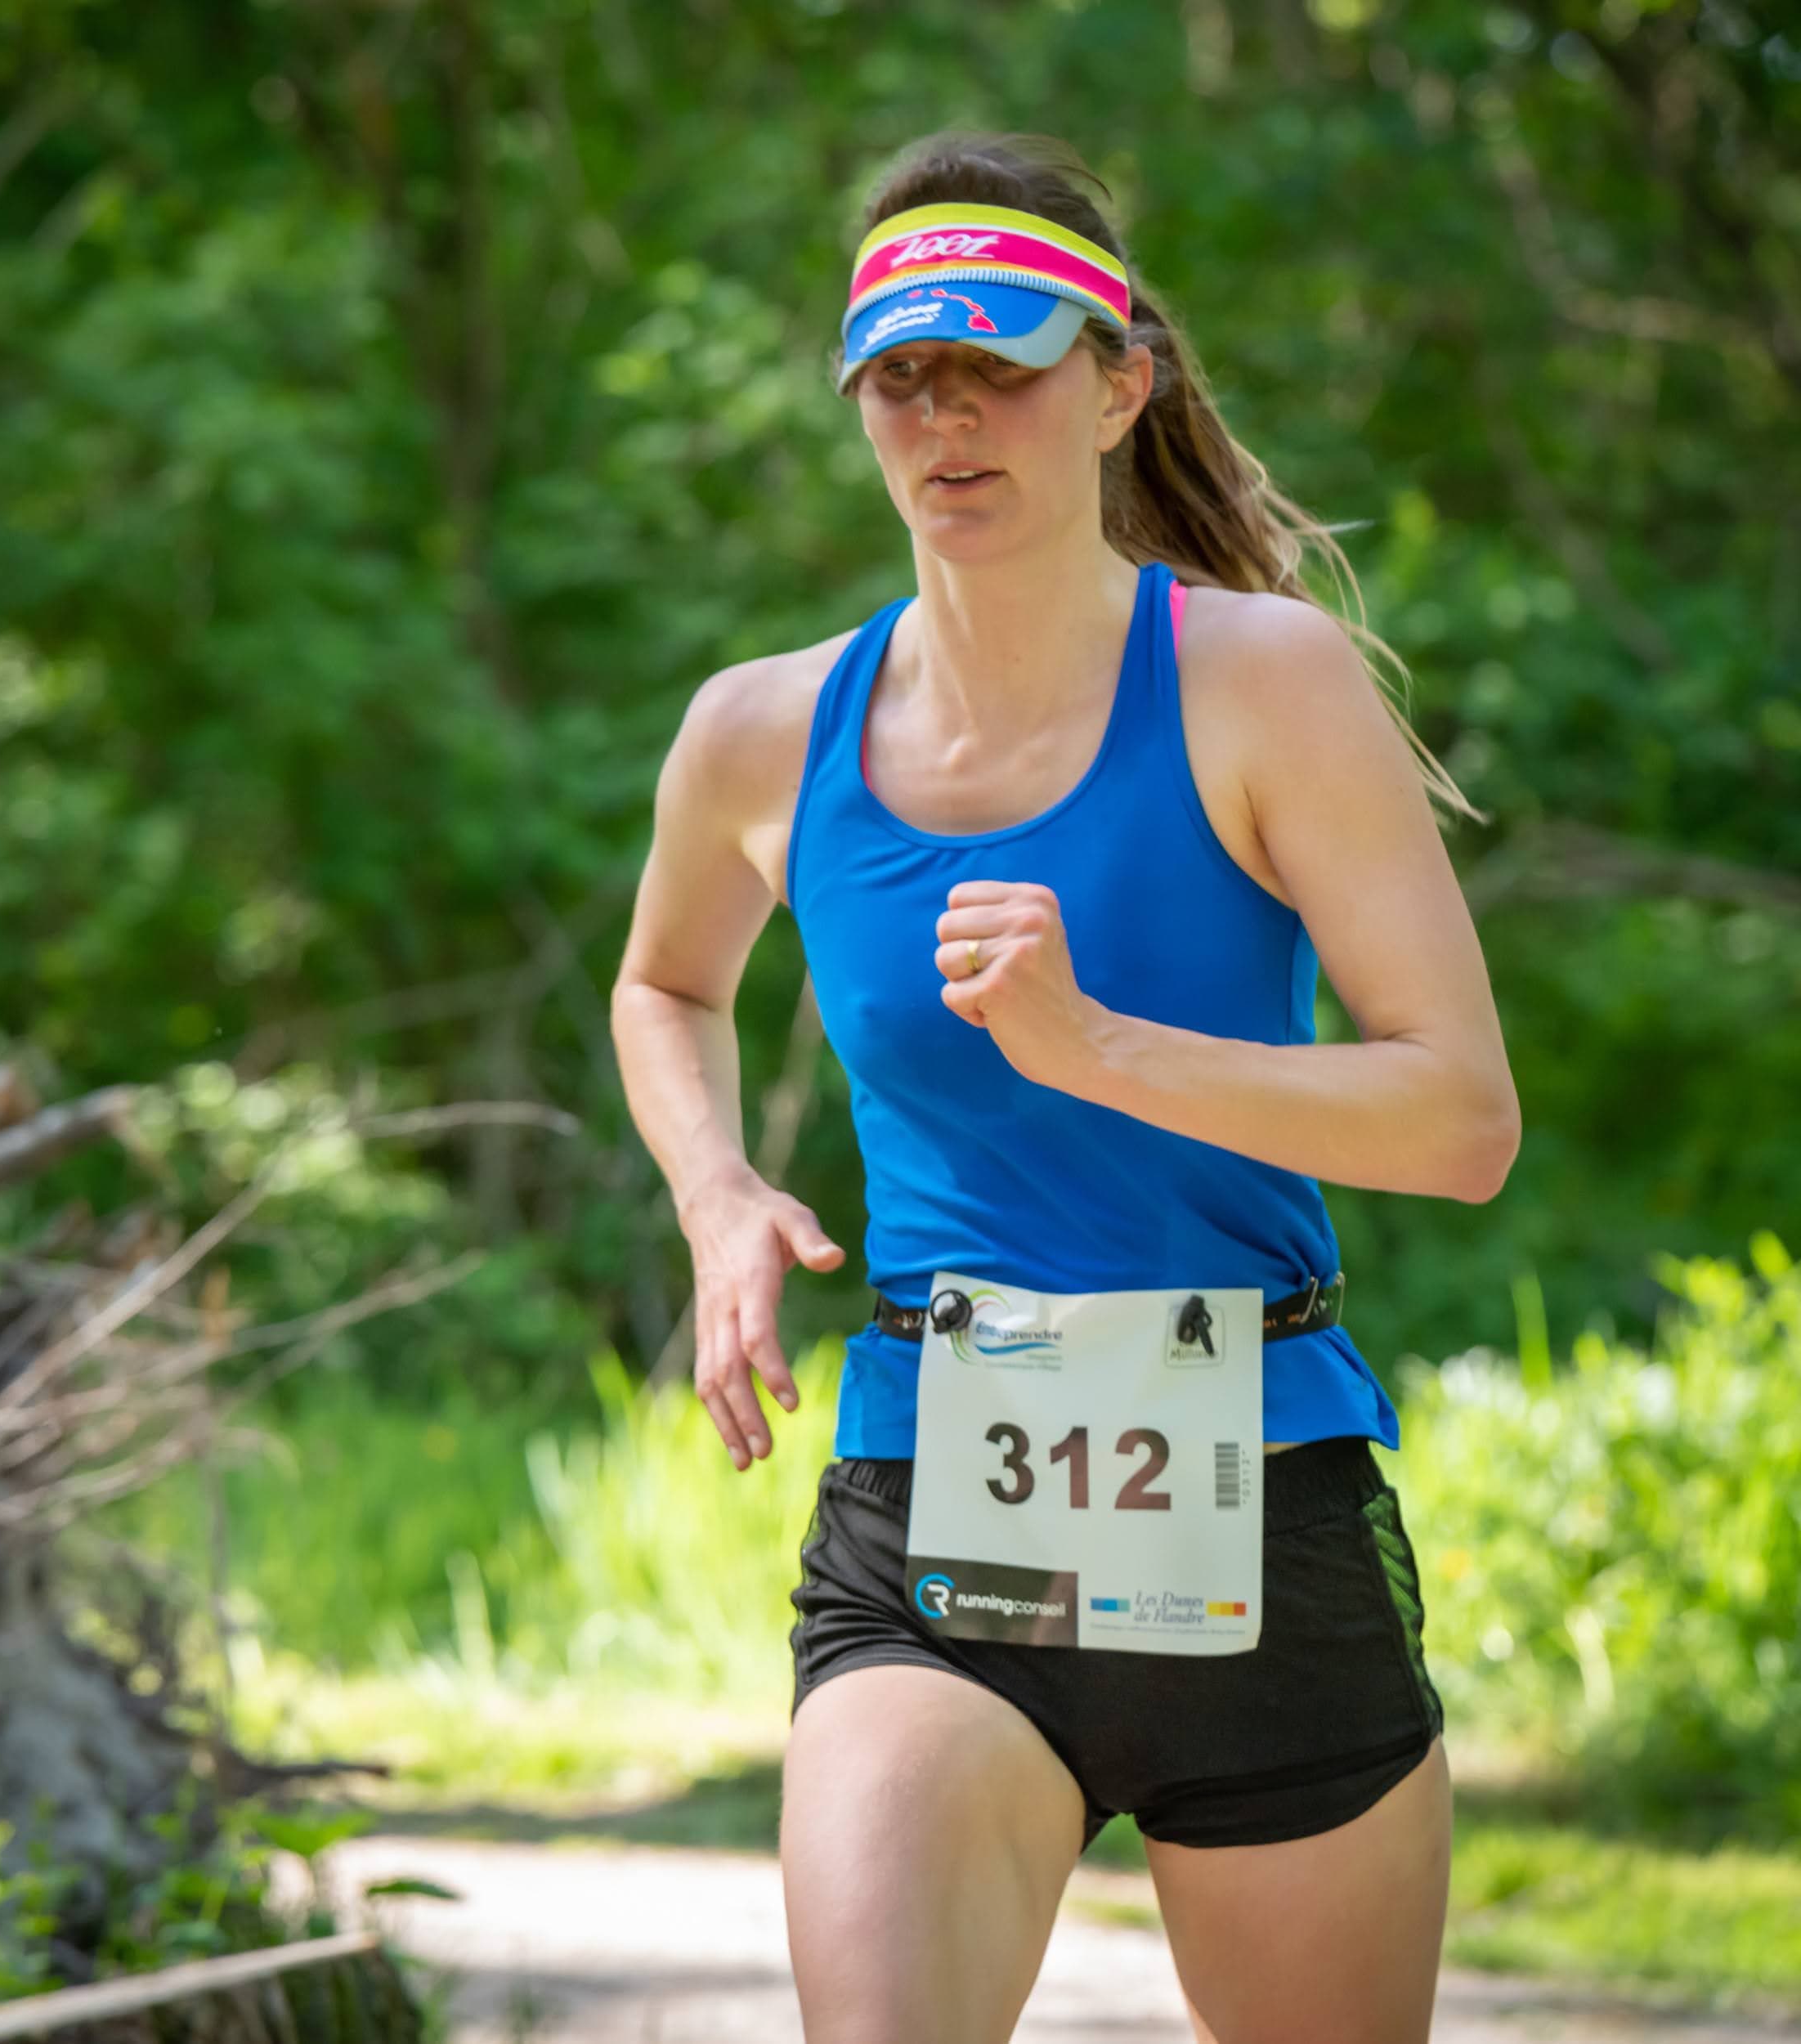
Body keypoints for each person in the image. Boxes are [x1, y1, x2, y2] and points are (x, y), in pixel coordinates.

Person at [610, 129, 1520, 2044]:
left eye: (999, 369)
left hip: (1258, 1499)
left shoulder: (1261, 681)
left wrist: (1092, 1044)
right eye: (901, 379)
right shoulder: (761, 729)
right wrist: (715, 1192)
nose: (946, 419)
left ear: (1117, 386)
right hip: (932, 1496)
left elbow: (1459, 1120)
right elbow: (663, 982)